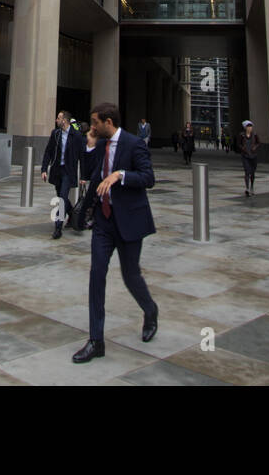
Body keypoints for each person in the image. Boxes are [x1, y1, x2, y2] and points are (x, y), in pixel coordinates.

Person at [72, 102, 159, 363]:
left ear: (108, 122)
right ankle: (96, 340)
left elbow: (148, 178)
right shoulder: (99, 145)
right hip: (104, 223)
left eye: (96, 123)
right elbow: (94, 177)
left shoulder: (134, 144)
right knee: (96, 275)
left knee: (131, 276)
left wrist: (121, 174)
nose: (93, 127)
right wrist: (79, 214)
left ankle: (150, 311)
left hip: (129, 222)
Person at [41, 110, 82, 238]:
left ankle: (58, 227)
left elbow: (82, 156)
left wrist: (85, 176)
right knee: (61, 197)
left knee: (63, 198)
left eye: (58, 118)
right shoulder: (56, 134)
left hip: (68, 172)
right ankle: (73, 217)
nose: (56, 120)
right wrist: (44, 169)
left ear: (64, 120)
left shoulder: (76, 136)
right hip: (57, 170)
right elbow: (48, 151)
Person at [239, 120, 260, 197]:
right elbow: (239, 144)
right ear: (245, 127)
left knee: (253, 172)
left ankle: (252, 186)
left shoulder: (254, 134)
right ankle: (247, 188)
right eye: (248, 126)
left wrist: (255, 147)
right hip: (245, 156)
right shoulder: (242, 135)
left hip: (253, 156)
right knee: (247, 171)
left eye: (251, 126)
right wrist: (243, 148)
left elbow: (258, 142)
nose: (250, 128)